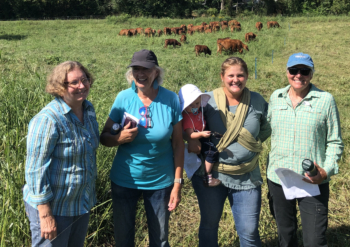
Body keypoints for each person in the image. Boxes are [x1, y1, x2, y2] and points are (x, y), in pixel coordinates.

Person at [100, 49, 184, 247]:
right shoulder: (123, 98)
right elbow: (104, 137)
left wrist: (178, 183)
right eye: (136, 68)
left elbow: (178, 143)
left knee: (161, 238)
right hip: (124, 179)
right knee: (123, 237)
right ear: (131, 72)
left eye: (146, 69)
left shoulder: (170, 99)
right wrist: (119, 138)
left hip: (161, 181)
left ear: (156, 72)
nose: (141, 73)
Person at [187, 57, 271, 247]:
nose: (236, 80)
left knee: (249, 232)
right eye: (231, 75)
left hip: (247, 176)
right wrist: (190, 139)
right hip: (211, 175)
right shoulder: (207, 101)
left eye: (240, 75)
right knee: (208, 226)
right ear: (222, 76)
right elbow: (187, 120)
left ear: (247, 76)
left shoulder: (257, 101)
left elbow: (266, 129)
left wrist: (247, 146)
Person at [267, 52, 344, 247]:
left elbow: (335, 141)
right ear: (287, 72)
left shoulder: (325, 100)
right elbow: (263, 130)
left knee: (314, 240)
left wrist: (326, 171)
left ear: (311, 74)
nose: (298, 75)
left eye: (304, 71)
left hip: (312, 180)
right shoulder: (276, 97)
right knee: (285, 237)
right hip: (279, 178)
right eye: (294, 70)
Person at [22, 61, 99, 247]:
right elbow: (35, 170)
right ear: (59, 87)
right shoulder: (48, 119)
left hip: (79, 204)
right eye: (74, 82)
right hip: (54, 209)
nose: (82, 86)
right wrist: (45, 215)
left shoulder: (88, 111)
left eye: (84, 79)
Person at [179, 84, 221, 187]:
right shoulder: (187, 117)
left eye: (197, 103)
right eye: (191, 105)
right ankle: (207, 177)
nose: (194, 107)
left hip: (202, 133)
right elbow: (190, 135)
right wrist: (201, 134)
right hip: (199, 136)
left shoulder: (197, 112)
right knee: (211, 152)